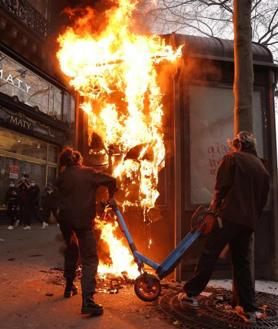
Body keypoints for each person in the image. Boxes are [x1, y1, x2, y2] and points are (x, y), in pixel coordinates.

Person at [178, 131, 270, 322]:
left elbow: (220, 188)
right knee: (242, 263)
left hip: (228, 216)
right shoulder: (262, 167)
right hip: (248, 222)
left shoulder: (232, 158)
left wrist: (212, 212)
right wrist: (252, 221)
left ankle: (191, 294)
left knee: (209, 254)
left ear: (239, 145)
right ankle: (248, 309)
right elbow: (262, 200)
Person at [55, 147, 117, 317]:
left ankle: (68, 287)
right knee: (90, 259)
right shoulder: (87, 172)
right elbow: (112, 180)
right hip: (82, 222)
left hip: (65, 221)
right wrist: (111, 197)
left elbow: (55, 197)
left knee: (71, 249)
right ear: (79, 160)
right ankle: (88, 301)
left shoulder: (62, 176)